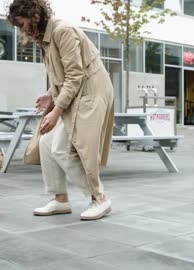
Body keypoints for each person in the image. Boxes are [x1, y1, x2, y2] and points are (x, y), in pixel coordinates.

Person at [7, 0, 114, 221]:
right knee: (47, 142)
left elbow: (75, 75)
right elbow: (63, 73)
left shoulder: (62, 31)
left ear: (33, 15)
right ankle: (60, 199)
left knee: (66, 147)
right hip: (78, 91)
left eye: (21, 23)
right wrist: (50, 94)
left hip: (90, 93)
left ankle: (100, 198)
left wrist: (55, 112)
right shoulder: (45, 37)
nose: (21, 29)